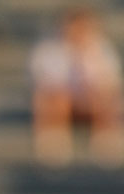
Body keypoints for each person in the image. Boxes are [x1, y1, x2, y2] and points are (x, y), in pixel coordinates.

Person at [30, 7, 124, 166]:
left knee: (104, 95)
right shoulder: (48, 49)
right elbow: (44, 83)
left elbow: (111, 82)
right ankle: (54, 138)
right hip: (60, 104)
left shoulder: (102, 49)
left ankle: (106, 136)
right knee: (58, 97)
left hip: (91, 103)